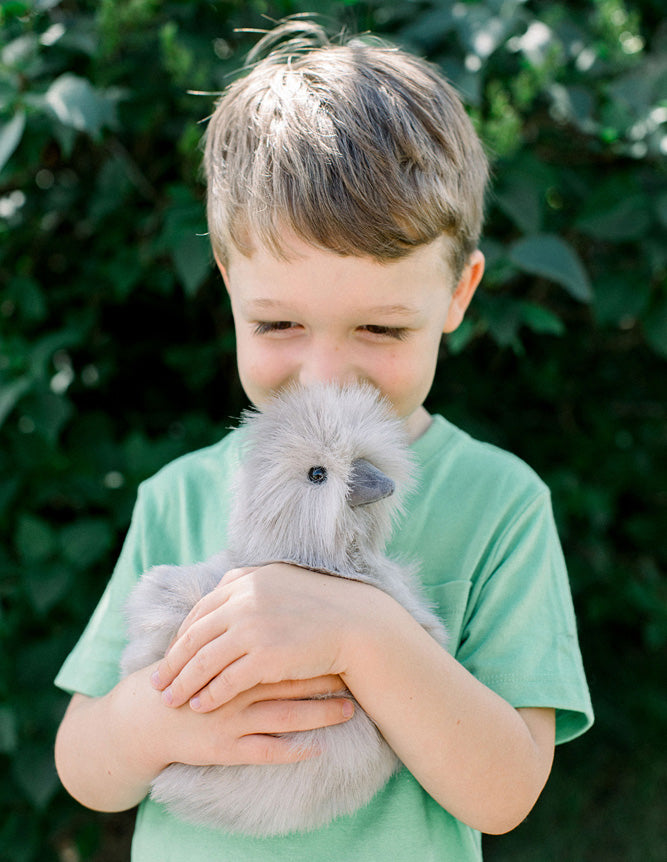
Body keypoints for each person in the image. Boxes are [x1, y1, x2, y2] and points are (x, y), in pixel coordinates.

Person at [54, 20, 593, 861]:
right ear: (229, 283)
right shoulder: (179, 494)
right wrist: (152, 717)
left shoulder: (499, 503)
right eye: (278, 322)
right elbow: (88, 770)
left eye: (379, 327)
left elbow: (503, 793)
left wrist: (360, 632)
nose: (323, 376)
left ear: (457, 295)